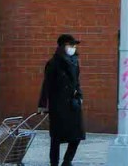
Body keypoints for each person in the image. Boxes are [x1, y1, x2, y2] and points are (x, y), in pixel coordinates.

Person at [39, 33, 86, 166]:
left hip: (73, 104)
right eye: (70, 45)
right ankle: (54, 163)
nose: (73, 48)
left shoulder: (75, 62)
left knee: (77, 135)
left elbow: (77, 82)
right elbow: (46, 84)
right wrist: (43, 104)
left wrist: (80, 96)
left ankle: (67, 161)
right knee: (56, 138)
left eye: (74, 45)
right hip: (58, 105)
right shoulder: (53, 63)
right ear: (62, 46)